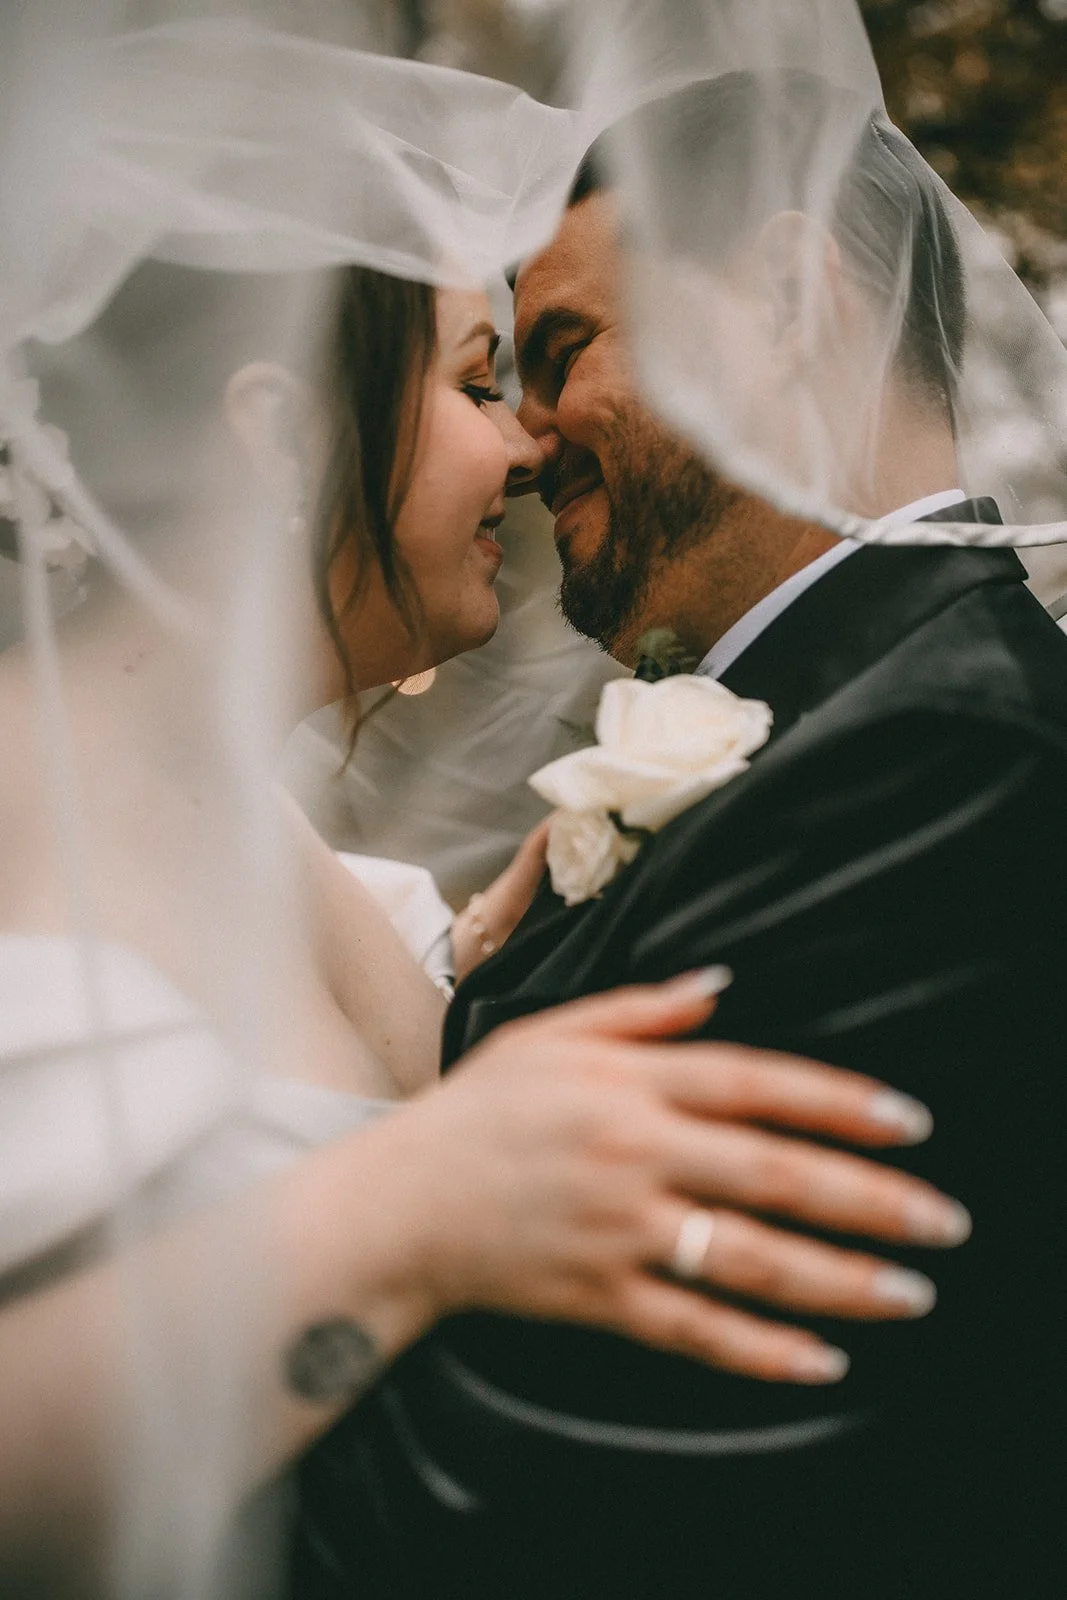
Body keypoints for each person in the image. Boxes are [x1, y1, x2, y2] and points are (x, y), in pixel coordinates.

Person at [1, 242, 973, 1596]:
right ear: (277, 432)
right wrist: (417, 1203)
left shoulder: (254, 822)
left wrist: (503, 967)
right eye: (474, 384)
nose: (526, 446)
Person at [298, 73, 1067, 1599]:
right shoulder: (830, 723)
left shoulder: (934, 755)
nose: (525, 439)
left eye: (563, 351)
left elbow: (643, 1475)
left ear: (786, 302)